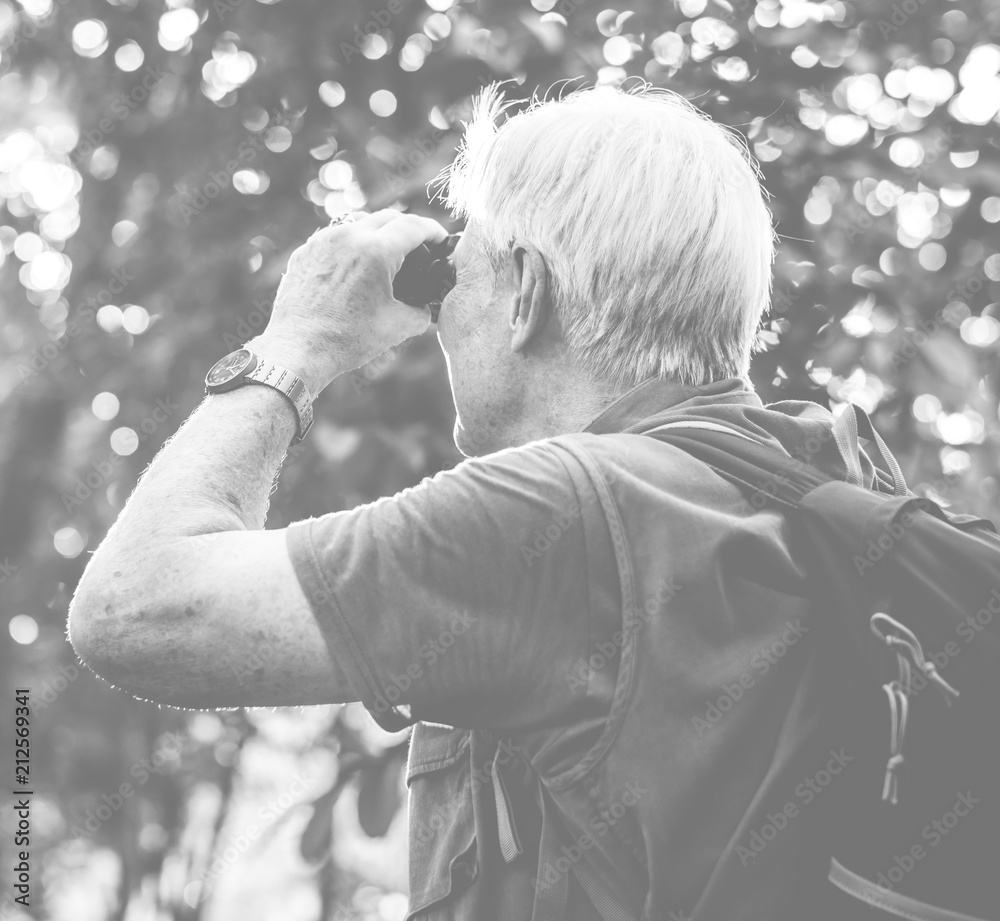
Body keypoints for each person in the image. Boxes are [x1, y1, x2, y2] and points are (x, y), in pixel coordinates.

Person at [70, 84, 896, 920]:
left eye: (453, 276)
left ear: (528, 291)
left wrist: (298, 344)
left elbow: (134, 608)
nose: (439, 319)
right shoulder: (826, 473)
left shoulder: (562, 513)